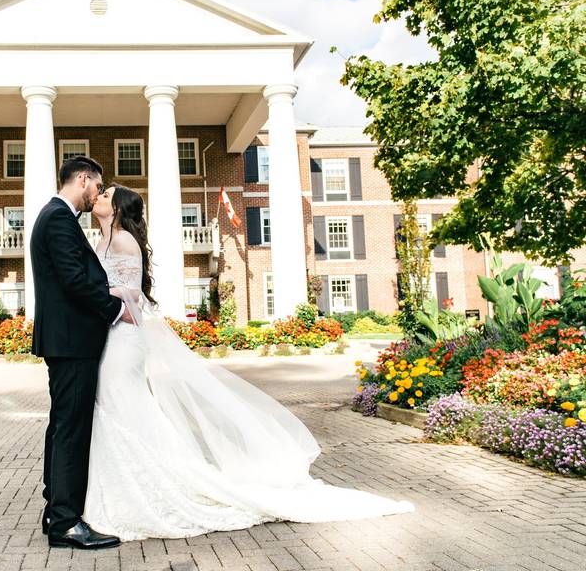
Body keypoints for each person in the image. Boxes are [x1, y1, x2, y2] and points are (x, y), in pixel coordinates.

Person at [82, 183, 415, 541]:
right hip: (108, 339)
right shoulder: (102, 240)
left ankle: (150, 489)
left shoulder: (123, 242)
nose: (98, 196)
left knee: (124, 408)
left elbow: (131, 296)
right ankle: (126, 490)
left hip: (123, 342)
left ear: (117, 208)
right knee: (118, 410)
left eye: (105, 195)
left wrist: (94, 291)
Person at [29, 156, 137, 550]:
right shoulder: (58, 217)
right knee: (72, 431)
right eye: (97, 185)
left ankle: (55, 510)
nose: (97, 194)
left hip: (66, 340)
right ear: (83, 179)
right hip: (73, 342)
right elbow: (73, 279)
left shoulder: (54, 216)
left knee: (61, 426)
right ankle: (66, 523)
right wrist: (114, 309)